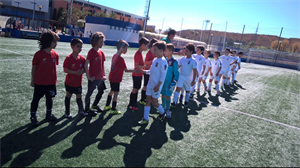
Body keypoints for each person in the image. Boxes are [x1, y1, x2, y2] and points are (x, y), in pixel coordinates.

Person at [29, 30, 60, 127]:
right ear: (48, 41)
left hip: (51, 82)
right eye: (55, 41)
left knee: (50, 99)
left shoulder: (55, 54)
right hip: (40, 82)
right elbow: (34, 68)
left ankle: (49, 114)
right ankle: (33, 116)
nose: (56, 43)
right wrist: (33, 80)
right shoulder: (38, 54)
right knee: (36, 99)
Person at [104, 39, 140, 114]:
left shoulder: (114, 55)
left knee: (112, 91)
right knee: (116, 93)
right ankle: (113, 108)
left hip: (112, 77)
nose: (126, 50)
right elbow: (126, 70)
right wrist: (135, 70)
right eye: (126, 48)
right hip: (116, 79)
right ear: (121, 48)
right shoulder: (120, 59)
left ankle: (107, 105)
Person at [138, 41, 168, 125]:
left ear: (161, 50)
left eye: (155, 50)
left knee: (154, 102)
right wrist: (143, 71)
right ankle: (145, 119)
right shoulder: (155, 59)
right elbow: (150, 71)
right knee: (147, 101)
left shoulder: (163, 61)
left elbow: (163, 75)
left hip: (156, 86)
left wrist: (158, 86)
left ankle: (162, 112)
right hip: (150, 84)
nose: (153, 51)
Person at [63, 38, 88, 118]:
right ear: (72, 46)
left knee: (79, 96)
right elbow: (65, 69)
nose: (80, 48)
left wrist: (83, 71)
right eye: (78, 46)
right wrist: (75, 72)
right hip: (70, 82)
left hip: (78, 83)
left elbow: (85, 68)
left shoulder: (82, 59)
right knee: (68, 95)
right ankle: (67, 112)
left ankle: (81, 110)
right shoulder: (68, 58)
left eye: (81, 47)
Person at [84, 32, 107, 116]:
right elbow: (86, 64)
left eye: (103, 42)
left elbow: (102, 65)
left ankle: (94, 105)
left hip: (100, 78)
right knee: (89, 93)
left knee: (101, 91)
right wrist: (88, 76)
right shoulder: (91, 52)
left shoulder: (101, 52)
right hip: (93, 78)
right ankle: (86, 109)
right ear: (95, 41)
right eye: (101, 42)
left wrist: (103, 75)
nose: (102, 44)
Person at [171, 43, 197, 108]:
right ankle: (174, 102)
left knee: (187, 90)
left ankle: (186, 101)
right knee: (178, 89)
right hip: (181, 77)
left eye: (187, 50)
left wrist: (193, 80)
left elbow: (194, 71)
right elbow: (178, 67)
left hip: (188, 78)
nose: (185, 51)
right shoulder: (182, 59)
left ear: (191, 52)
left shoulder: (193, 60)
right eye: (185, 50)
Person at [127, 37, 149, 111]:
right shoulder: (138, 54)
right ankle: (131, 104)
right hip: (136, 75)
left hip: (139, 74)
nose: (147, 47)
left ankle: (134, 102)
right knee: (135, 89)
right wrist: (145, 66)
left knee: (137, 89)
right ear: (143, 45)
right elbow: (137, 66)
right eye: (147, 46)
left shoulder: (140, 53)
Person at [160, 43, 179, 118]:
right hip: (163, 82)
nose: (164, 52)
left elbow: (176, 73)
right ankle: (163, 108)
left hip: (170, 83)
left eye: (166, 50)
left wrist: (174, 81)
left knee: (168, 96)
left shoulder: (174, 61)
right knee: (163, 94)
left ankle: (167, 109)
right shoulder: (163, 60)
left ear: (170, 52)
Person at [139, 38, 158, 106]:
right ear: (152, 46)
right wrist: (151, 61)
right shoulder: (149, 53)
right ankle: (142, 99)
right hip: (147, 72)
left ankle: (151, 99)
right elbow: (145, 62)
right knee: (145, 86)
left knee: (151, 85)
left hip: (152, 72)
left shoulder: (155, 53)